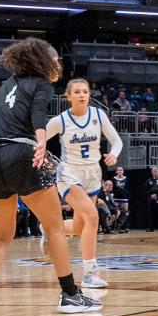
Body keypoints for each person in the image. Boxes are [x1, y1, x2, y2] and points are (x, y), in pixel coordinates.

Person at [0, 38, 101, 316]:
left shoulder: (5, 85)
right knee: (54, 229)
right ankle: (70, 295)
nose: (58, 64)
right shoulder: (41, 84)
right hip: (22, 154)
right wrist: (41, 143)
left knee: (1, 235)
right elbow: (38, 116)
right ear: (42, 62)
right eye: (55, 60)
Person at [43, 78, 123, 289]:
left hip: (93, 174)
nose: (81, 95)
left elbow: (117, 141)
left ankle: (49, 228)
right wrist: (40, 155)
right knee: (92, 215)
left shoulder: (98, 115)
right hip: (69, 174)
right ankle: (90, 273)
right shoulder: (60, 120)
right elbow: (39, 138)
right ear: (68, 96)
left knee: (80, 226)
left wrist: (113, 155)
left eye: (85, 91)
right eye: (76, 92)